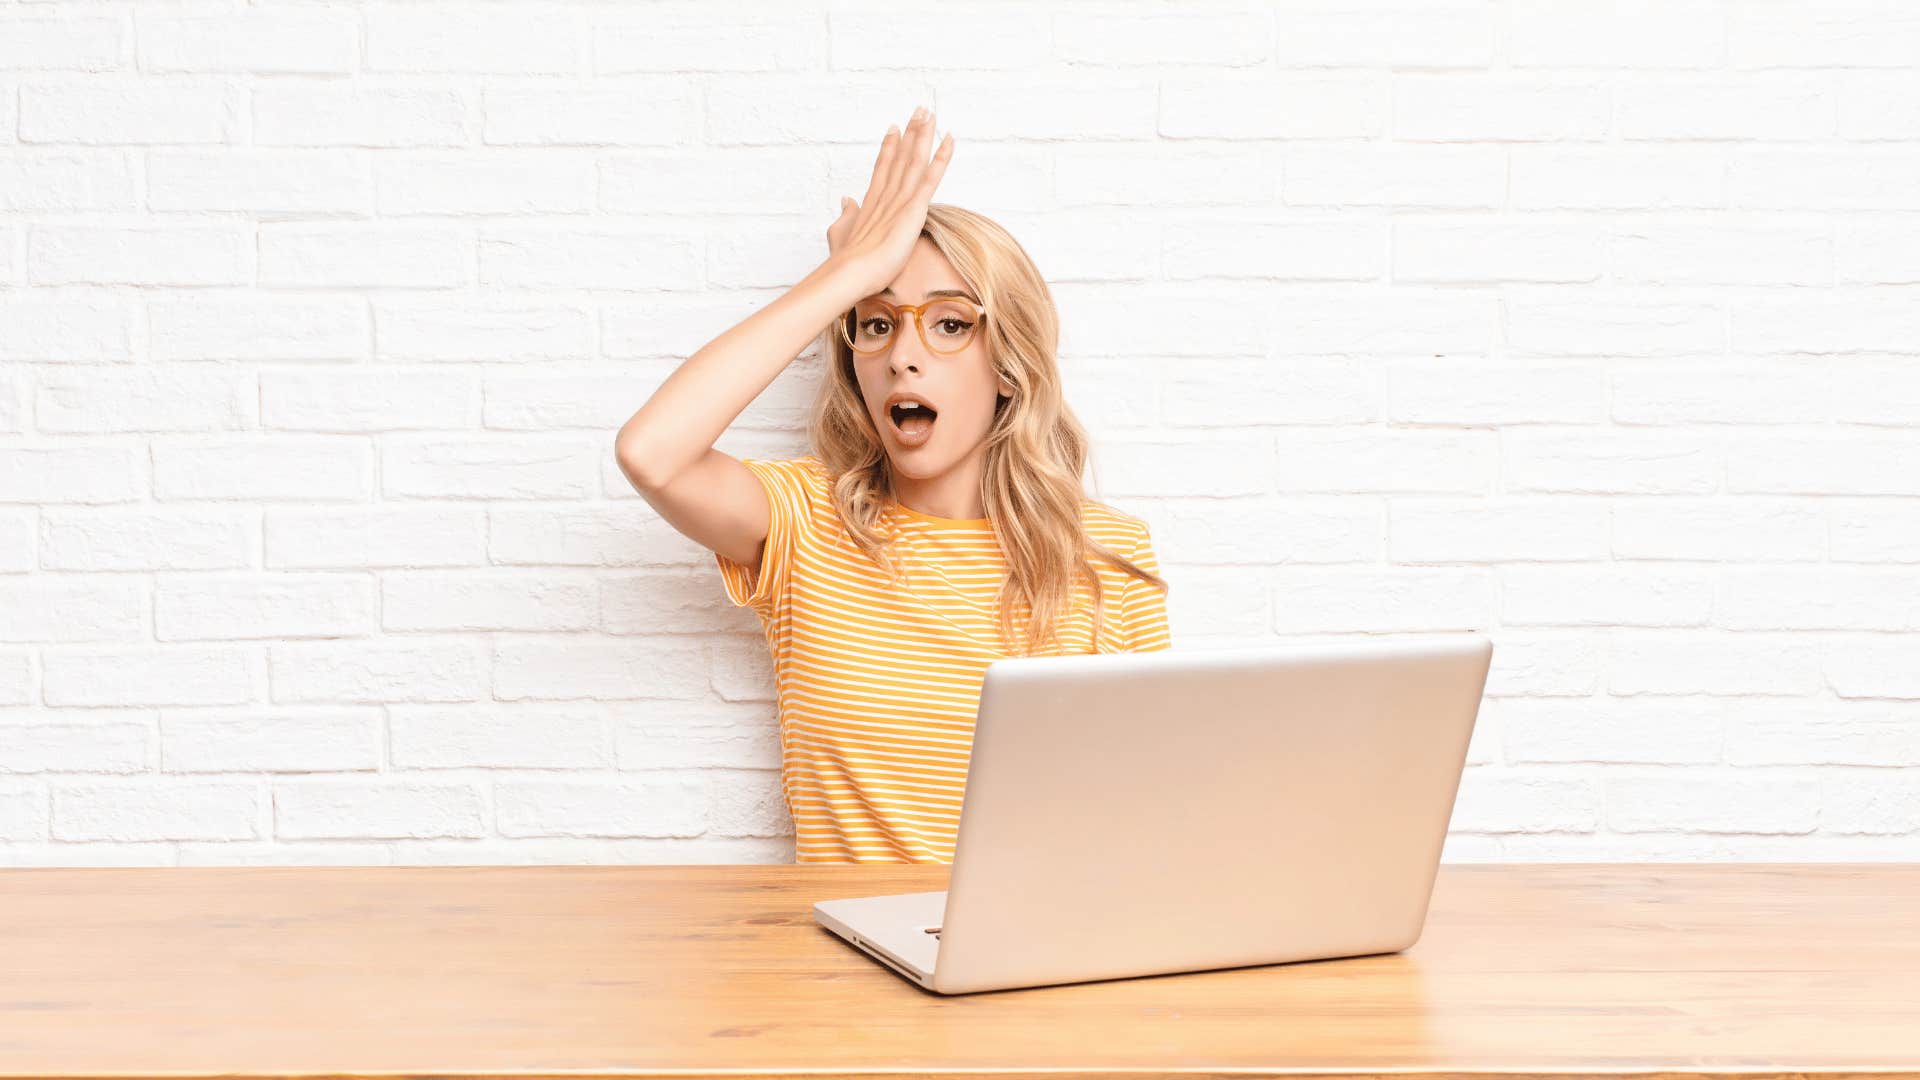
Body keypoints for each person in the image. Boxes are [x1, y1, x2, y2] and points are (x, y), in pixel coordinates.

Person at [614, 104, 1171, 864]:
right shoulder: (805, 524)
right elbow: (654, 453)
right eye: (876, 324)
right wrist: (847, 276)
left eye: (948, 324)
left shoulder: (1107, 552)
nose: (903, 356)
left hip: (1042, 964)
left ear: (1008, 364)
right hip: (843, 970)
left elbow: (1150, 815)